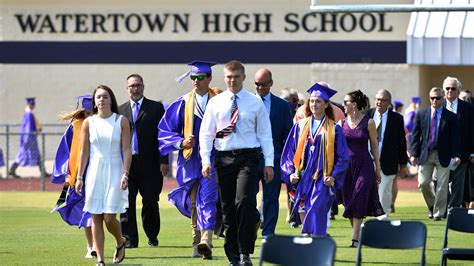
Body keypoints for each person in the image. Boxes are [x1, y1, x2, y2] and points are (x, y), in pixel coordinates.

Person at [199, 60, 274, 266]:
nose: (232, 81)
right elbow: (206, 134)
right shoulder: (216, 102)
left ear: (243, 77)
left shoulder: (255, 102)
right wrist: (206, 160)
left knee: (245, 202)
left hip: (248, 158)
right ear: (224, 78)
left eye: (236, 77)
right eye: (228, 77)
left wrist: (269, 163)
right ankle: (233, 256)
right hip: (223, 159)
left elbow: (265, 134)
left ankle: (245, 252)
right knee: (228, 209)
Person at [158, 61, 220, 259]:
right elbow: (165, 130)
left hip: (213, 157)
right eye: (193, 77)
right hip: (190, 159)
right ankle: (196, 241)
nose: (195, 81)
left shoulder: (220, 101)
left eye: (200, 77)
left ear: (209, 78)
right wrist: (181, 142)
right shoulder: (182, 103)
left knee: (208, 199)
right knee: (194, 202)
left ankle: (206, 240)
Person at [280, 83, 349, 236]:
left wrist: (334, 175)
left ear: (326, 104)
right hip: (303, 176)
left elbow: (343, 157)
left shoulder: (334, 129)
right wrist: (291, 172)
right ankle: (310, 238)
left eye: (318, 101)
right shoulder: (299, 126)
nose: (314, 104)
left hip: (322, 178)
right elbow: (289, 152)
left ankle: (315, 239)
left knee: (317, 208)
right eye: (311, 101)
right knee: (303, 208)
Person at [75, 85, 131, 265]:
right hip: (94, 171)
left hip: (115, 169)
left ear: (110, 99)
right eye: (98, 97)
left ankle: (120, 241)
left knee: (109, 217)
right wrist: (79, 177)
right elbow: (84, 151)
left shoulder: (121, 120)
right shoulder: (88, 122)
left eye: (105, 96)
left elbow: (127, 149)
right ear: (94, 101)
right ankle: (100, 259)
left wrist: (125, 173)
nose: (101, 100)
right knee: (95, 217)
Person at [118, 74, 169, 248]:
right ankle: (129, 239)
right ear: (127, 89)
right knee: (126, 203)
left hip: (151, 165)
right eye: (132, 86)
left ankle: (152, 235)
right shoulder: (120, 110)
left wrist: (164, 160)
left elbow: (164, 136)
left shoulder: (155, 108)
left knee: (150, 202)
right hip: (127, 165)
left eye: (138, 85)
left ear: (143, 87)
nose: (135, 89)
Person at [51, 95, 95, 259]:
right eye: (87, 109)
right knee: (87, 211)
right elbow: (65, 150)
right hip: (80, 175)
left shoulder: (105, 123)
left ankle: (114, 241)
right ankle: (91, 247)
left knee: (103, 214)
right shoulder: (75, 126)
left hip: (100, 172)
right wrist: (67, 173)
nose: (90, 112)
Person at [410, 87, 461, 221]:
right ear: (429, 98)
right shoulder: (422, 113)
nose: (434, 100)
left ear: (442, 98)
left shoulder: (450, 116)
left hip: (443, 155)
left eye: (437, 98)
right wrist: (413, 154)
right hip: (425, 154)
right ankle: (432, 205)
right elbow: (415, 136)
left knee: (442, 185)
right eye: (432, 98)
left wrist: (457, 155)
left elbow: (455, 138)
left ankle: (438, 214)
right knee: (423, 183)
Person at [341, 90, 384, 247]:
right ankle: (359, 234)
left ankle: (355, 239)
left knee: (359, 196)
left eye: (346, 102)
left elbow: (374, 147)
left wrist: (377, 168)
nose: (344, 104)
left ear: (354, 104)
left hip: (364, 165)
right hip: (346, 167)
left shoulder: (369, 122)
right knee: (348, 201)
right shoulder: (342, 123)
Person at [254, 68, 293, 237]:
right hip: (249, 160)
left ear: (271, 83)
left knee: (271, 199)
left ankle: (268, 234)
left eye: (263, 84)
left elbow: (288, 136)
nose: (260, 88)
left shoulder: (282, 106)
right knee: (245, 198)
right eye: (257, 85)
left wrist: (284, 160)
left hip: (273, 160)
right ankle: (253, 223)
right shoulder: (246, 102)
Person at [366, 90, 408, 219]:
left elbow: (401, 142)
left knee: (384, 191)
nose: (379, 102)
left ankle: (382, 218)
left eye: (383, 100)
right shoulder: (367, 115)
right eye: (377, 99)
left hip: (388, 161)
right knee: (367, 190)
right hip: (368, 160)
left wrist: (403, 164)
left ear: (389, 102)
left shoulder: (397, 119)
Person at [442, 77, 474, 209]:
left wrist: (472, 152)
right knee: (436, 182)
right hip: (441, 154)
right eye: (447, 88)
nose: (450, 91)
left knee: (458, 185)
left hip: (462, 153)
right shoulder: (438, 106)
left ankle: (452, 211)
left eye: (453, 88)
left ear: (458, 90)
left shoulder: (469, 108)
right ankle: (440, 207)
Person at [9, 97, 47, 178]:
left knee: (35, 155)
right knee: (23, 155)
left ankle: (43, 172)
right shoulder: (29, 114)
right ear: (31, 105)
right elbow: (28, 128)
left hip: (28, 138)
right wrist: (28, 139)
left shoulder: (27, 114)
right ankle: (12, 170)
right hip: (30, 139)